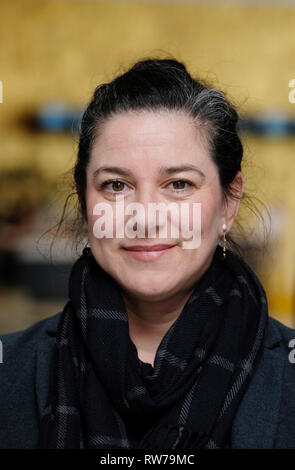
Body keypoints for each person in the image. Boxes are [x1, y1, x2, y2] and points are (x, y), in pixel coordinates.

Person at [0, 58, 294, 450]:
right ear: (85, 200)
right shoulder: (11, 370)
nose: (145, 217)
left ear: (228, 201)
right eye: (117, 185)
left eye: (178, 184)